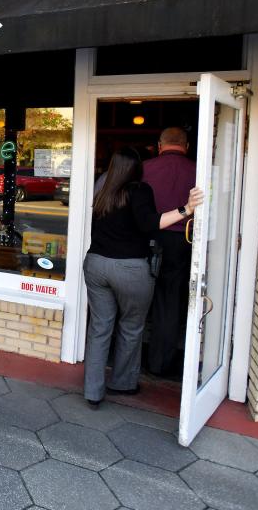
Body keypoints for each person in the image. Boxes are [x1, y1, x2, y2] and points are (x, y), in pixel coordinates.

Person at [83, 147, 203, 408]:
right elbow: (151, 223)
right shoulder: (139, 190)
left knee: (100, 327)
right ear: (137, 169)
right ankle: (122, 383)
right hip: (130, 270)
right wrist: (187, 209)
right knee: (131, 325)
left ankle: (92, 391)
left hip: (95, 265)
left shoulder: (101, 188)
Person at [142, 127, 197, 378]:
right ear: (185, 145)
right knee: (170, 300)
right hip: (182, 240)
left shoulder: (144, 168)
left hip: (148, 237)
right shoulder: (198, 169)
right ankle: (161, 361)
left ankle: (133, 354)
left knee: (139, 295)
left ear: (160, 145)